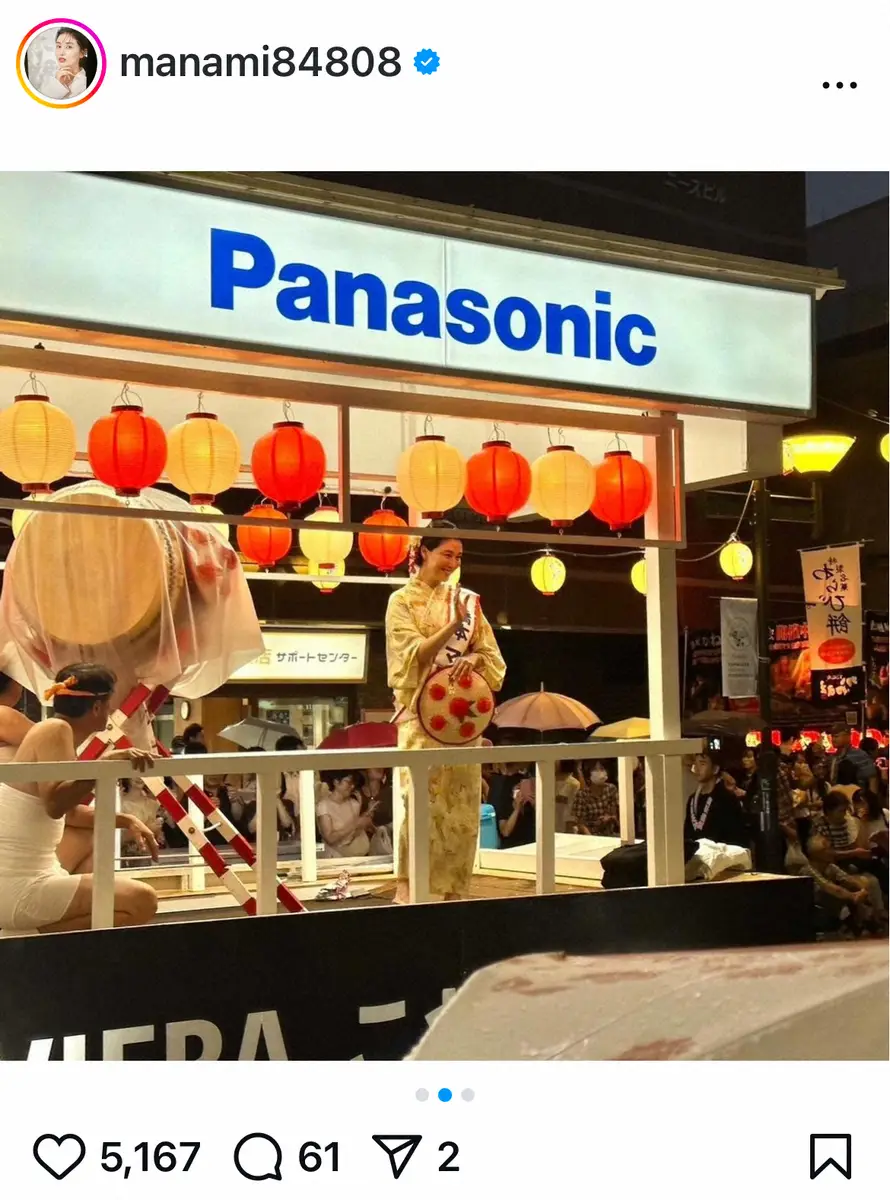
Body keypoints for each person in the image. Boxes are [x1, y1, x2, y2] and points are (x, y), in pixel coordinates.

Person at [385, 527, 505, 903]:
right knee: (420, 807)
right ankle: (413, 891)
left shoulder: (466, 601)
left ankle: (456, 893)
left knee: (462, 813)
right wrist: (453, 625)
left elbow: (492, 658)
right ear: (424, 551)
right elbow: (412, 655)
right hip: (421, 723)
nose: (453, 563)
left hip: (461, 724)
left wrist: (473, 659)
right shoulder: (401, 601)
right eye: (446, 554)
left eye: (458, 557)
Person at [0, 664, 158, 933]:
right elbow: (55, 804)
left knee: (95, 846)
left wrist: (126, 820)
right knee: (142, 900)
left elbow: (70, 813)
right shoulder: (55, 729)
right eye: (108, 703)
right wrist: (102, 766)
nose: (110, 710)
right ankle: (26, 939)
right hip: (17, 887)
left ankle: (30, 937)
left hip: (29, 877)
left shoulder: (58, 733)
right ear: (97, 707)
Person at [800, 834, 881, 937]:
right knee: (831, 894)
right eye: (828, 849)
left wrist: (862, 890)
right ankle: (857, 925)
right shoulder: (808, 870)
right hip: (813, 904)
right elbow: (829, 888)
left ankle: (867, 922)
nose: (832, 852)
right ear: (818, 853)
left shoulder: (830, 866)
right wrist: (853, 896)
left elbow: (849, 879)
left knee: (856, 887)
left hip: (833, 901)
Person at [683, 751, 748, 847]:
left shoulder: (726, 799)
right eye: (695, 764)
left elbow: (735, 836)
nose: (697, 768)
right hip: (696, 854)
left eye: (702, 764)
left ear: (715, 769)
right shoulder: (692, 799)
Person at [316, 769, 373, 858]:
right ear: (336, 782)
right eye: (348, 782)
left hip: (357, 854)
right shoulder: (324, 806)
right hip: (334, 857)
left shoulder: (354, 803)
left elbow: (354, 834)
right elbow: (329, 838)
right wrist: (355, 824)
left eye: (353, 783)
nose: (352, 786)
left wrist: (365, 819)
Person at [34, 27, 97, 101]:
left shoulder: (91, 82)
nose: (61, 52)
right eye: (59, 46)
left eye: (69, 47)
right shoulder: (48, 80)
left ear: (82, 53)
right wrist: (57, 84)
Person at [571, 760, 620, 837]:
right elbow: (580, 824)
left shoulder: (611, 789)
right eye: (595, 769)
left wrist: (609, 818)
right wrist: (592, 838)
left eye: (602, 769)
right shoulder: (582, 795)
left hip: (609, 834)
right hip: (589, 835)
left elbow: (614, 814)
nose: (600, 772)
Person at [493, 770, 536, 849]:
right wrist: (517, 809)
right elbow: (505, 832)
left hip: (529, 846)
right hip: (511, 847)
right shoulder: (506, 805)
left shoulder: (529, 805)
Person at [831, 724, 877, 792]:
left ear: (848, 736)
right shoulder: (833, 757)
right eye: (832, 737)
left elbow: (872, 778)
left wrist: (872, 796)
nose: (833, 740)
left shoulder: (859, 754)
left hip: (856, 795)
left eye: (836, 736)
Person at [554, 761, 582, 833]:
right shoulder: (546, 781)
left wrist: (569, 828)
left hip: (565, 829)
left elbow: (572, 809)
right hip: (548, 826)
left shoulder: (574, 784)